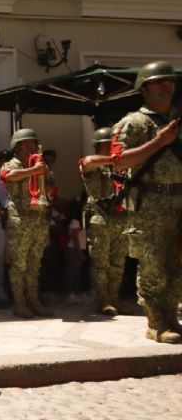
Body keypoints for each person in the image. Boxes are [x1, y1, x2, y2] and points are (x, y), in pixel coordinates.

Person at [83, 61, 181, 343]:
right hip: (150, 203)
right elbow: (119, 162)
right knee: (152, 265)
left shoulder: (178, 120)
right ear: (144, 88)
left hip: (178, 200)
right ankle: (156, 322)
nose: (168, 85)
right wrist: (160, 141)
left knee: (176, 267)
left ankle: (171, 317)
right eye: (160, 81)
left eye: (171, 81)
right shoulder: (132, 123)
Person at [78, 127, 131, 317]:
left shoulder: (121, 167)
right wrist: (116, 159)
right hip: (100, 217)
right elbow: (87, 162)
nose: (114, 147)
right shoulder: (96, 163)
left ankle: (115, 298)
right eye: (111, 144)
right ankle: (104, 300)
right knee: (101, 263)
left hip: (120, 218)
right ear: (100, 145)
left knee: (118, 263)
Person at [0, 128, 52, 319]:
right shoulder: (11, 164)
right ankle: (19, 302)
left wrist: (42, 172)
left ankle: (33, 300)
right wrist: (32, 171)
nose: (32, 146)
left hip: (38, 221)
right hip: (20, 221)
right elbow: (8, 177)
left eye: (33, 142)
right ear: (18, 146)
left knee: (34, 264)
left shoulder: (39, 163)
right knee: (19, 265)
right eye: (27, 143)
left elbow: (52, 185)